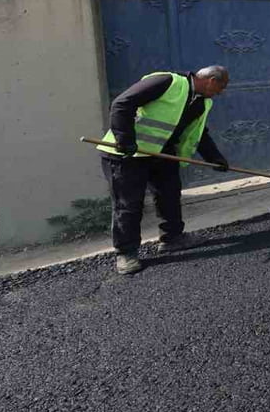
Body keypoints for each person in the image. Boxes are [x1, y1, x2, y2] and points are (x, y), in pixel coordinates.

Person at [97, 66, 231, 274]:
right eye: (220, 88)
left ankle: (173, 238)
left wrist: (215, 158)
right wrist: (125, 139)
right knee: (128, 205)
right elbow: (122, 104)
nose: (220, 93)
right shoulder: (167, 82)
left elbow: (198, 134)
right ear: (211, 80)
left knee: (169, 195)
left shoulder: (202, 103)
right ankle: (126, 253)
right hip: (126, 155)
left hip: (161, 154)